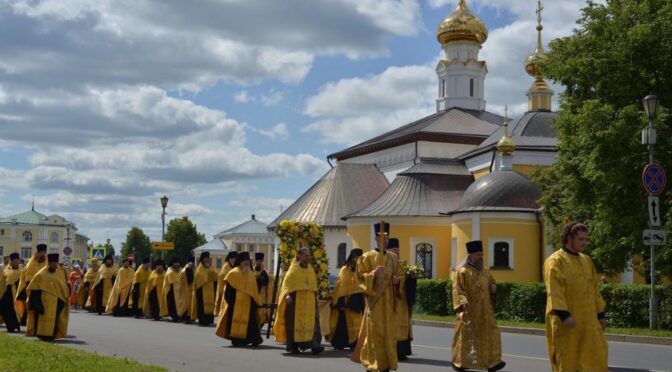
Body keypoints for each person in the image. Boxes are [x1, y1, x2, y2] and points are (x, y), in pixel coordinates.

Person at [544, 222, 608, 372]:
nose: (584, 242)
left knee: (595, 359)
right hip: (567, 323)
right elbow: (555, 291)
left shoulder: (587, 261)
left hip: (589, 322)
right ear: (569, 238)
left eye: (586, 239)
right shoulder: (555, 261)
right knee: (568, 361)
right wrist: (564, 316)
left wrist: (601, 314)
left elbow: (594, 290)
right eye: (580, 239)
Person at [353, 222, 402, 372]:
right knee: (375, 333)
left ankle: (387, 364)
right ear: (375, 238)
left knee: (389, 333)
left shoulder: (394, 258)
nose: (384, 240)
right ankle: (373, 363)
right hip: (375, 302)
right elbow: (359, 278)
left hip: (390, 304)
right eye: (381, 237)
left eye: (386, 238)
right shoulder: (366, 257)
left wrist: (397, 280)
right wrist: (373, 274)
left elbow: (400, 274)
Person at [451, 240, 505, 372]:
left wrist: (493, 288)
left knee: (492, 334)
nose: (481, 257)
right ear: (470, 256)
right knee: (466, 337)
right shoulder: (462, 271)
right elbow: (458, 290)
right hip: (469, 311)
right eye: (478, 255)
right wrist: (463, 302)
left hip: (486, 312)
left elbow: (492, 282)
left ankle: (492, 362)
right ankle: (460, 362)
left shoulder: (485, 270)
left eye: (482, 254)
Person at [273, 247, 324, 355]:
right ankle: (294, 345)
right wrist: (287, 295)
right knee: (294, 323)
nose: (308, 258)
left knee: (313, 322)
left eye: (309, 255)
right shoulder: (293, 270)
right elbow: (286, 286)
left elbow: (313, 287)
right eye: (305, 256)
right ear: (299, 256)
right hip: (295, 302)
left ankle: (314, 344)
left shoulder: (310, 270)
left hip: (309, 302)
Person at [215, 252, 263, 346]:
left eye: (248, 262)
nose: (247, 264)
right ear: (240, 262)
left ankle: (252, 339)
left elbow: (254, 290)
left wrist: (254, 302)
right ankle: (237, 340)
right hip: (235, 304)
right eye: (245, 262)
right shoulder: (233, 273)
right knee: (234, 323)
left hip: (248, 304)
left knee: (251, 323)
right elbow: (228, 291)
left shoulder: (250, 274)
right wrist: (231, 303)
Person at [25, 253, 70, 341]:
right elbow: (34, 288)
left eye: (55, 263)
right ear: (48, 263)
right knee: (41, 317)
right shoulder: (41, 274)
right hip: (43, 301)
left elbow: (64, 287)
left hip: (57, 301)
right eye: (53, 263)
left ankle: (51, 334)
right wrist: (36, 302)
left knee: (55, 319)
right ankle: (41, 334)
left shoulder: (59, 275)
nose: (54, 265)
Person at [386, 238, 417, 361]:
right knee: (391, 325)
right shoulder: (384, 264)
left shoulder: (403, 264)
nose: (396, 253)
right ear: (388, 251)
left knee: (403, 325)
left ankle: (402, 351)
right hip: (389, 300)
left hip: (402, 300)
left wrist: (412, 278)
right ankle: (390, 351)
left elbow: (406, 280)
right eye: (394, 250)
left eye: (398, 251)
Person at [328, 248, 364, 350]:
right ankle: (340, 343)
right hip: (344, 301)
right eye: (356, 257)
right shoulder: (344, 269)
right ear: (352, 257)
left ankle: (354, 343)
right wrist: (337, 298)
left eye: (359, 258)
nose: (357, 260)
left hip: (356, 301)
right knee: (342, 324)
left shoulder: (362, 270)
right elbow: (340, 284)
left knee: (357, 323)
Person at [15, 243, 48, 325]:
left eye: (44, 253)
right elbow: (28, 278)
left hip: (45, 289)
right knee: (31, 307)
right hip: (32, 289)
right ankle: (27, 322)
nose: (43, 254)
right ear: (37, 253)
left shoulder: (47, 263)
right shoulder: (31, 263)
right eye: (41, 253)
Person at [190, 251, 218, 326]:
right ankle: (202, 321)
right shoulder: (200, 269)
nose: (207, 260)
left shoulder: (211, 267)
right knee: (202, 306)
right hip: (201, 291)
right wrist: (208, 277)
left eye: (208, 258)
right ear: (202, 259)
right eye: (205, 258)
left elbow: (216, 277)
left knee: (211, 306)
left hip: (211, 290)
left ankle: (210, 321)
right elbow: (199, 279)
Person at [0, 253, 22, 332]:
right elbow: (2, 283)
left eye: (17, 260)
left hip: (18, 293)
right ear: (11, 261)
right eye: (14, 260)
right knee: (8, 311)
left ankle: (17, 325)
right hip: (8, 294)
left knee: (18, 310)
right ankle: (10, 326)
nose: (16, 262)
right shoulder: (6, 270)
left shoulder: (22, 270)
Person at [253, 252, 274, 328]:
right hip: (254, 294)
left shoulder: (265, 272)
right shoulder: (251, 271)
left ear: (262, 261)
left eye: (260, 261)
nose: (259, 262)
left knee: (262, 312)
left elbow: (267, 282)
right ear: (255, 261)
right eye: (257, 260)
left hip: (262, 295)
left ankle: (259, 326)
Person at [164, 257, 184, 322]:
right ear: (172, 264)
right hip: (171, 290)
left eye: (178, 263)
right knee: (172, 305)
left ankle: (180, 316)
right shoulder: (169, 270)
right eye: (175, 263)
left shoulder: (182, 270)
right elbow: (169, 281)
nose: (176, 264)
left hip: (180, 291)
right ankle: (174, 316)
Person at [180, 256, 196, 323]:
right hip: (186, 289)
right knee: (186, 304)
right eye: (191, 262)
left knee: (191, 304)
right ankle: (185, 317)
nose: (192, 264)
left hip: (192, 289)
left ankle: (190, 317)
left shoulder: (193, 269)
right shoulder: (185, 270)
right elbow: (185, 280)